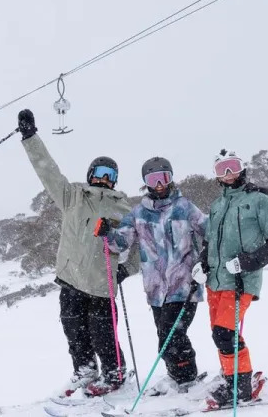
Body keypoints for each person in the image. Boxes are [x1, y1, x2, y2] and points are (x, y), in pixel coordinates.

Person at [17, 108, 133, 397]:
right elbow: (48, 171)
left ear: (115, 180)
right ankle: (85, 370)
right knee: (74, 332)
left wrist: (127, 269)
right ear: (91, 175)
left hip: (100, 283)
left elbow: (139, 243)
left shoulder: (123, 208)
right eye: (100, 173)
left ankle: (115, 372)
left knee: (103, 334)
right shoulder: (72, 197)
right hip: (70, 278)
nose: (104, 179)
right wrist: (31, 137)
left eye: (110, 175)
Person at [95, 156, 208, 396]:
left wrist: (205, 259)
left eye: (163, 178)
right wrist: (108, 233)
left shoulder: (184, 207)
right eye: (153, 179)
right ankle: (176, 376)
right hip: (156, 290)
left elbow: (210, 230)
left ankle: (187, 379)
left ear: (171, 178)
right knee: (165, 335)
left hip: (184, 285)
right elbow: (120, 244)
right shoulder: (138, 214)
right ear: (145, 182)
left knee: (171, 334)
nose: (159, 184)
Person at [191, 149, 268, 408]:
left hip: (241, 280)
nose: (228, 173)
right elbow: (210, 241)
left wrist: (247, 262)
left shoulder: (258, 201)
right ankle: (230, 374)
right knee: (219, 333)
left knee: (225, 333)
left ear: (243, 168)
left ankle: (240, 386)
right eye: (222, 169)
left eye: (233, 167)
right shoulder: (218, 204)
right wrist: (202, 263)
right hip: (215, 282)